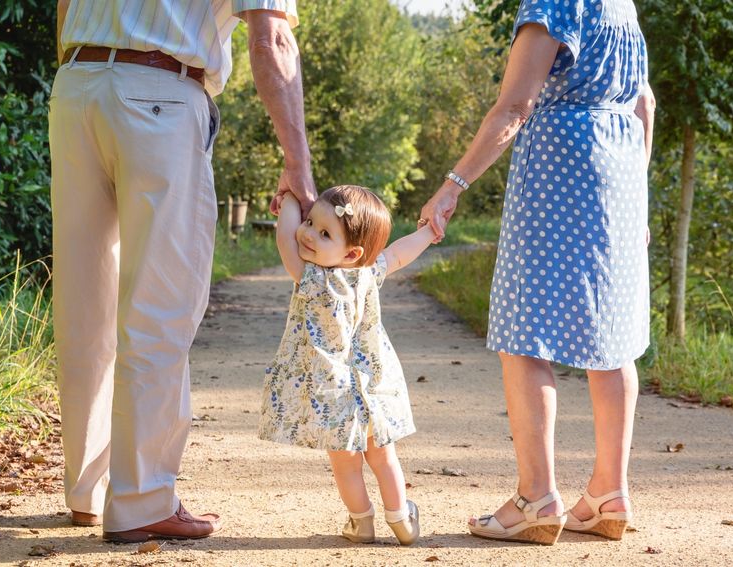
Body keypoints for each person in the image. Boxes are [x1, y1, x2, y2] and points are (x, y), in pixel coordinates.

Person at [50, 1, 317, 543]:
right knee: (159, 307)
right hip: (159, 96)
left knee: (84, 305)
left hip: (75, 86)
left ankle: (90, 491)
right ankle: (142, 499)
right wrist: (298, 164)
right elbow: (271, 41)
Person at [420, 0, 655, 545]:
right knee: (613, 337)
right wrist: (637, 200)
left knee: (527, 331)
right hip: (620, 170)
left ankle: (537, 497)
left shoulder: (554, 2)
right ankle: (608, 493)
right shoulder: (622, 6)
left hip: (561, 167)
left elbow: (515, 106)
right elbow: (643, 102)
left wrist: (453, 185)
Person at [258, 186, 435, 545]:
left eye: (323, 233)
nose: (306, 233)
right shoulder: (368, 272)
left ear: (353, 252)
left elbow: (283, 240)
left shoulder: (311, 277)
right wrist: (428, 233)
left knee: (346, 465)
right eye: (309, 222)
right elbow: (398, 254)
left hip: (331, 389)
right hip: (371, 383)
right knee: (384, 458)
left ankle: (361, 522)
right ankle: (401, 518)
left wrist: (291, 196)